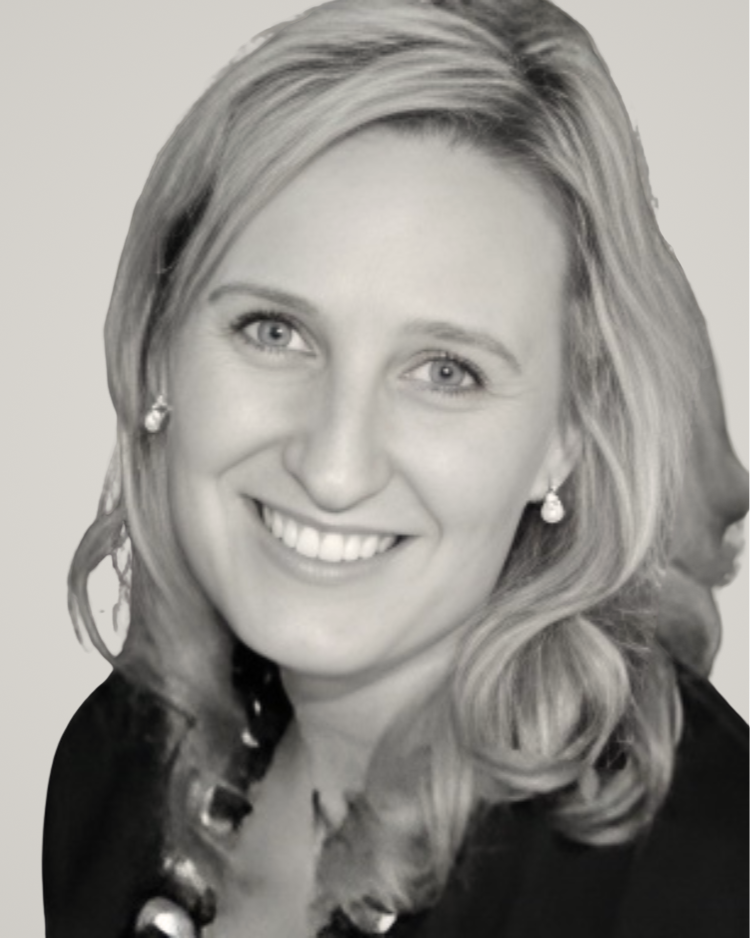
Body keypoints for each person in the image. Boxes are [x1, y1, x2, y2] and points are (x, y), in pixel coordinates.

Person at [42, 0, 748, 936]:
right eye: (276, 330)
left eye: (447, 372)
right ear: (159, 347)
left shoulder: (698, 872)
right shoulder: (120, 767)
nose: (333, 468)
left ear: (568, 432)